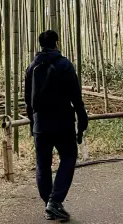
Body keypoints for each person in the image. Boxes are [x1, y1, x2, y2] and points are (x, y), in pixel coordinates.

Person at [25, 29, 88, 222]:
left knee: (43, 165)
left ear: (40, 44)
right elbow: (76, 97)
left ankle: (50, 204)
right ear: (57, 44)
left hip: (40, 125)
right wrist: (82, 120)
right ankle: (54, 202)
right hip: (63, 123)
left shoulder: (31, 67)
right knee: (69, 157)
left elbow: (28, 101)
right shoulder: (65, 65)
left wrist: (32, 123)